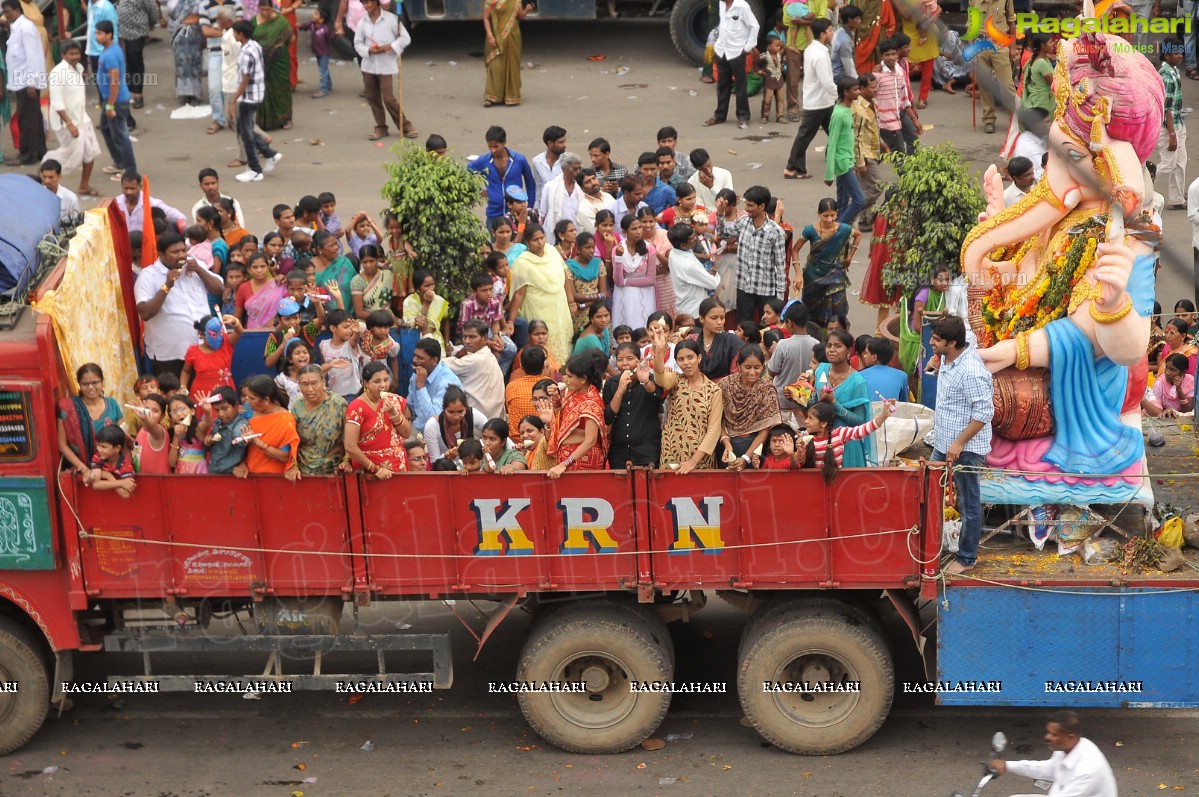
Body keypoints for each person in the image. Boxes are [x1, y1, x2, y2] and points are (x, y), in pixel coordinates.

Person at [929, 316, 992, 575]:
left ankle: (967, 557)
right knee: (927, 489)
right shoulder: (949, 355)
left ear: (953, 343)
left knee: (968, 503)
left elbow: (984, 413)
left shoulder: (972, 372)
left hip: (964, 448)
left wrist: (959, 443)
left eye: (936, 340)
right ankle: (929, 543)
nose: (931, 343)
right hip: (942, 440)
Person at [135, 233, 225, 379]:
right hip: (170, 355)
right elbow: (145, 313)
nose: (182, 255)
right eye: (175, 252)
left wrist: (199, 270)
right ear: (161, 254)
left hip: (203, 348)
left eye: (184, 250)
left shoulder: (197, 266)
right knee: (175, 398)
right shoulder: (148, 275)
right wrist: (167, 285)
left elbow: (220, 290)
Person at [989, 711, 1117, 797]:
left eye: (1054, 734)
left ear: (1070, 737)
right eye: (1048, 732)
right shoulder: (1070, 747)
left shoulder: (1087, 771)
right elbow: (1049, 769)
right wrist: (1007, 765)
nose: (1047, 737)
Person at [652, 330, 723, 474]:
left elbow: (714, 430)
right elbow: (660, 377)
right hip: (672, 454)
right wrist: (659, 353)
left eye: (690, 357)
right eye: (681, 359)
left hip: (700, 459)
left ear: (699, 358)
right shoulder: (676, 380)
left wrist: (693, 461)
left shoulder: (714, 390)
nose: (686, 363)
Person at [508, 224, 574, 366]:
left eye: (542, 238)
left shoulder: (552, 251)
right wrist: (511, 321)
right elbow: (519, 293)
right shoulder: (523, 262)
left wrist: (571, 302)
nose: (540, 243)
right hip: (538, 309)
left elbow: (565, 276)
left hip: (559, 306)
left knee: (564, 344)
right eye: (535, 240)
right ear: (527, 242)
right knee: (542, 342)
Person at [230, 19, 283, 182]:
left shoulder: (246, 52)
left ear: (240, 34)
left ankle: (255, 169)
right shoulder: (254, 45)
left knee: (245, 133)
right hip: (257, 93)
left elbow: (245, 79)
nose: (233, 35)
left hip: (249, 96)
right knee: (244, 128)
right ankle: (270, 154)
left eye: (235, 32)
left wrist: (234, 99)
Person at [794, 198, 860, 328]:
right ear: (818, 214)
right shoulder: (810, 231)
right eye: (825, 216)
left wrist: (849, 257)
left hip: (836, 274)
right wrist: (798, 273)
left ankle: (837, 335)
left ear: (837, 213)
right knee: (813, 309)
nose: (829, 220)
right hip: (813, 276)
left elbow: (858, 235)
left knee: (838, 307)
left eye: (833, 215)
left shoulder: (844, 229)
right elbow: (795, 250)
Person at [810, 328, 871, 468]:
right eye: (829, 345)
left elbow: (860, 421)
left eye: (838, 346)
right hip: (821, 442)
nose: (831, 350)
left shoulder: (857, 381)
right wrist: (799, 398)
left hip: (846, 445)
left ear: (849, 351)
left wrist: (834, 403)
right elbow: (815, 407)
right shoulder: (821, 370)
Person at [542, 350, 608, 476]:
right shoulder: (573, 393)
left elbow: (591, 440)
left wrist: (564, 464)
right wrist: (556, 398)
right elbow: (561, 418)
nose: (565, 380)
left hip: (583, 461)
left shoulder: (592, 403)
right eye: (565, 375)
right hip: (568, 459)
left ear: (583, 379)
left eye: (570, 376)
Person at [44, 42, 98, 196]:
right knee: (67, 157)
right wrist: (69, 124)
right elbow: (56, 102)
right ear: (63, 55)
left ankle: (83, 186)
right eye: (71, 54)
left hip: (82, 119)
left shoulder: (79, 68)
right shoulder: (57, 73)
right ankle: (46, 180)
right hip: (66, 123)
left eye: (77, 53)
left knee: (90, 152)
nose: (74, 57)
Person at [783, 19, 834, 180]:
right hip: (818, 103)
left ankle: (842, 162)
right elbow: (826, 81)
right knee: (805, 136)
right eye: (831, 30)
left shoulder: (812, 49)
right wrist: (841, 95)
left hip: (823, 101)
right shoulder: (819, 54)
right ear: (823, 34)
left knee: (836, 132)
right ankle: (792, 168)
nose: (833, 33)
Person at [355, 0, 413, 140]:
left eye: (367, 2)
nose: (365, 6)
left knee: (388, 98)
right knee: (373, 98)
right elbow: (357, 43)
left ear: (375, 2)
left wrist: (390, 46)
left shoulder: (392, 19)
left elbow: (405, 39)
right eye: (363, 3)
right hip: (369, 66)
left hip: (386, 65)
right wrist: (369, 50)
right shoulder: (363, 22)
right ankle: (380, 127)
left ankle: (405, 126)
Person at [718, 342, 783, 469]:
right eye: (747, 367)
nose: (752, 372)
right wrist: (726, 444)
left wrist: (746, 458)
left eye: (757, 367)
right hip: (727, 446)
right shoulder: (725, 385)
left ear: (763, 366)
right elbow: (717, 419)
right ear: (738, 366)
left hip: (755, 450)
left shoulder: (767, 389)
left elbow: (765, 428)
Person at [344, 360, 411, 478]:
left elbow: (407, 433)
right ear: (365, 383)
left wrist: (393, 413)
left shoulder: (394, 400)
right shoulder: (357, 407)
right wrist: (376, 469)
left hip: (398, 466)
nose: (383, 385)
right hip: (370, 472)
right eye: (377, 381)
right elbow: (350, 446)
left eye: (386, 380)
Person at [604, 341, 666, 467]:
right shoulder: (611, 383)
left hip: (646, 449)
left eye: (630, 359)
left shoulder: (650, 379)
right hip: (619, 451)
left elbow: (657, 397)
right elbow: (608, 417)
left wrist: (645, 381)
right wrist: (620, 389)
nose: (625, 363)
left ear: (640, 360)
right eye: (620, 359)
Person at [732, 185, 788, 324]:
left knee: (766, 328)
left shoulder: (776, 232)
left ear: (762, 206)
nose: (746, 208)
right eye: (746, 204)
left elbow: (780, 265)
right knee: (744, 326)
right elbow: (724, 234)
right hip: (744, 286)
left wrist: (779, 298)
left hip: (766, 290)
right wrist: (721, 214)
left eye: (750, 205)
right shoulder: (742, 222)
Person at [56, 363, 124, 477]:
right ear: (79, 384)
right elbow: (62, 444)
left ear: (102, 382)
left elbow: (121, 435)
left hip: (113, 468)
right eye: (85, 384)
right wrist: (84, 469)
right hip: (83, 471)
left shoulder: (112, 404)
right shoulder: (69, 408)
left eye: (95, 382)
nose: (90, 387)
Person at [1, 0, 46, 166]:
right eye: (4, 13)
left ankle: (28, 154)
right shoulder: (16, 27)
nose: (6, 15)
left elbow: (33, 56)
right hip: (20, 80)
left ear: (17, 10)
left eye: (8, 12)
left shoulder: (25, 28)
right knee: (32, 117)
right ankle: (39, 151)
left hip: (27, 82)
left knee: (26, 119)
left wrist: (32, 83)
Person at [703, 0, 759, 130]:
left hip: (737, 52)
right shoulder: (722, 5)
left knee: (740, 86)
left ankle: (743, 116)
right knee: (722, 85)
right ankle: (719, 115)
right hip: (722, 50)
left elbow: (754, 26)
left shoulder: (742, 6)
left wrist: (748, 47)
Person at [804, 399, 893, 481]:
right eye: (807, 417)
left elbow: (863, 430)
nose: (806, 421)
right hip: (813, 484)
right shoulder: (805, 437)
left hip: (835, 483)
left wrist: (884, 415)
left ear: (823, 423)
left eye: (810, 418)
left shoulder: (839, 434)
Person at [469, 125, 535, 228]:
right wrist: (479, 191)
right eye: (490, 146)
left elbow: (530, 184)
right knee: (496, 243)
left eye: (496, 146)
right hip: (494, 216)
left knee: (519, 242)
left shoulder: (519, 160)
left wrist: (529, 208)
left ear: (504, 142)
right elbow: (465, 174)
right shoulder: (483, 161)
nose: (492, 150)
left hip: (517, 215)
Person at [94, 20, 136, 177]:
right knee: (105, 128)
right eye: (96, 33)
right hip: (110, 99)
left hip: (116, 101)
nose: (96, 36)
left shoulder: (111, 54)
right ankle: (119, 162)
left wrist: (110, 106)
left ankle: (130, 169)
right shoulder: (109, 50)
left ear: (109, 34)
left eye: (99, 33)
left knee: (121, 135)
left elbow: (114, 81)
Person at [239, 375, 300, 478]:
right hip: (248, 476)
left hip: (274, 478)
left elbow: (285, 457)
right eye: (246, 396)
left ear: (266, 399)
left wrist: (259, 443)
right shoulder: (248, 409)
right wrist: (241, 464)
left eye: (252, 398)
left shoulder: (284, 419)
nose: (247, 401)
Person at [444, 319, 506, 420]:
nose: (467, 341)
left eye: (472, 337)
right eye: (465, 337)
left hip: (478, 419)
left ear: (485, 338)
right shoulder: (487, 355)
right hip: (494, 417)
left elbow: (438, 363)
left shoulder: (475, 360)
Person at [971, 0, 1015, 134]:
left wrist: (1012, 47)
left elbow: (1011, 22)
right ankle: (989, 119)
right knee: (985, 85)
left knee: (1007, 85)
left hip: (1000, 44)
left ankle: (1015, 119)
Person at [826, 76, 864, 226]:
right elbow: (832, 143)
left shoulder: (847, 109)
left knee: (842, 202)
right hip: (842, 163)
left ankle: (839, 233)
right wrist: (829, 172)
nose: (859, 92)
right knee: (859, 200)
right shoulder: (839, 114)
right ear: (846, 93)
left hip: (847, 160)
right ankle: (838, 230)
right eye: (855, 89)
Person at [200, 0, 241, 132]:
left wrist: (218, 30)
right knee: (214, 88)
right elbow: (206, 31)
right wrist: (228, 31)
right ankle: (218, 119)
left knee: (234, 87)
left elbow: (240, 27)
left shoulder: (236, 3)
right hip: (215, 52)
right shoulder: (204, 5)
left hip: (234, 52)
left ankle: (233, 118)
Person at [251, 3, 293, 131]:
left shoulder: (281, 22)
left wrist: (277, 46)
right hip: (260, 60)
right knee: (262, 88)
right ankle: (264, 120)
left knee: (281, 87)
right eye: (262, 10)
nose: (265, 12)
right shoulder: (254, 21)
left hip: (279, 60)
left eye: (268, 9)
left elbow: (291, 39)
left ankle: (285, 118)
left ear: (272, 8)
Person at [482, 0, 533, 107]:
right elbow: (486, 18)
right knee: (495, 66)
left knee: (512, 66)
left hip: (513, 36)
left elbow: (520, 16)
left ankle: (511, 96)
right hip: (496, 38)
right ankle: (490, 97)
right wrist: (490, 36)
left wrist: (526, 10)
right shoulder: (490, 1)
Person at [181, 313, 242, 401]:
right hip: (201, 395)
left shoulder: (226, 344)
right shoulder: (193, 351)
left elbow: (239, 332)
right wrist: (183, 387)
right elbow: (186, 371)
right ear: (201, 334)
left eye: (220, 333)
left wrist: (234, 321)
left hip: (224, 392)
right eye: (213, 334)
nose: (218, 338)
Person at [611, 215, 657, 329]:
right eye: (634, 229)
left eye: (639, 228)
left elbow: (651, 280)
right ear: (624, 231)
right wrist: (618, 258)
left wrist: (626, 282)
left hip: (645, 295)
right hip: (624, 296)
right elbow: (618, 281)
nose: (638, 232)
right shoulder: (618, 249)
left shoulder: (649, 248)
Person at [408, 337, 462, 432]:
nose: (414, 360)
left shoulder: (447, 382)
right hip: (417, 428)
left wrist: (421, 386)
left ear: (434, 360)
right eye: (414, 356)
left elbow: (433, 419)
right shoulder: (417, 373)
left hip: (439, 433)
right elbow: (410, 405)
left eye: (420, 358)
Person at [1158, 38, 1188, 211]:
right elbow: (1166, 109)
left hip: (1178, 123)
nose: (1180, 55)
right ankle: (1141, 182)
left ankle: (1176, 199)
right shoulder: (1167, 77)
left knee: (1180, 162)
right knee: (1169, 163)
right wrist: (1172, 134)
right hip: (1169, 127)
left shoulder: (1174, 71)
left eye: (1180, 51)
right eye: (1176, 53)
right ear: (1167, 55)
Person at [118, 0, 162, 109]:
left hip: (137, 32)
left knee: (135, 61)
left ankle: (138, 94)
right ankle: (129, 90)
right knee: (129, 61)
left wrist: (151, 23)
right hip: (125, 32)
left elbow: (153, 9)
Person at [424, 386, 487, 461]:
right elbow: (434, 461)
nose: (456, 417)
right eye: (451, 412)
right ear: (443, 409)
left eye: (460, 412)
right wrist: (445, 456)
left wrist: (484, 445)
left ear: (466, 408)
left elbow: (492, 432)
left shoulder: (474, 415)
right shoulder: (432, 426)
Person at [202, 386, 251, 474]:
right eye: (216, 410)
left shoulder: (240, 425)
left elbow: (241, 439)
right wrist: (209, 442)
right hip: (214, 472)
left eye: (225, 409)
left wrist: (243, 439)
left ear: (236, 406)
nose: (221, 414)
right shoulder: (217, 423)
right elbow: (211, 447)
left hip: (231, 475)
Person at [402, 269, 449, 351]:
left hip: (436, 343)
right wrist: (426, 304)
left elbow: (446, 320)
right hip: (416, 344)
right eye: (427, 286)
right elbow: (414, 326)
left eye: (432, 285)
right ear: (417, 289)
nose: (431, 289)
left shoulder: (439, 301)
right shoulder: (409, 302)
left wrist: (447, 343)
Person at [505, 345, 547, 437]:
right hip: (545, 439)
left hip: (517, 441)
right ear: (544, 366)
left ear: (521, 366)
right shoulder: (552, 385)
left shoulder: (511, 387)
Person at [540, 152, 582, 244]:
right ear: (564, 169)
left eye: (579, 168)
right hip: (555, 234)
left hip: (578, 232)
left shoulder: (582, 187)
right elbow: (543, 213)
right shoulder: (550, 187)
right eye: (575, 169)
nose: (578, 172)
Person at [1146, 353, 1196, 417]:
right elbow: (1156, 411)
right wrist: (1166, 412)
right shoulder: (1160, 383)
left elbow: (1188, 410)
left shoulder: (1190, 381)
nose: (1167, 373)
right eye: (1166, 367)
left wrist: (1179, 390)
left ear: (1183, 372)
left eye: (1172, 370)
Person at [859, 337, 908, 401]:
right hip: (892, 410)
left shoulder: (859, 376)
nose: (864, 356)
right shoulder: (902, 376)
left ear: (874, 357)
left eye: (866, 353)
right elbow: (903, 403)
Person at [687, 148, 734, 213]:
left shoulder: (725, 174)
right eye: (704, 169)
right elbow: (698, 207)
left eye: (709, 166)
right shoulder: (691, 183)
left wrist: (711, 187)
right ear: (696, 168)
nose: (708, 171)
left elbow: (729, 200)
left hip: (726, 214)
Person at [831, 5, 860, 82]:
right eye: (857, 18)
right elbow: (848, 66)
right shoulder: (844, 41)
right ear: (850, 20)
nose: (860, 21)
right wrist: (857, 83)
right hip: (839, 79)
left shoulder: (840, 31)